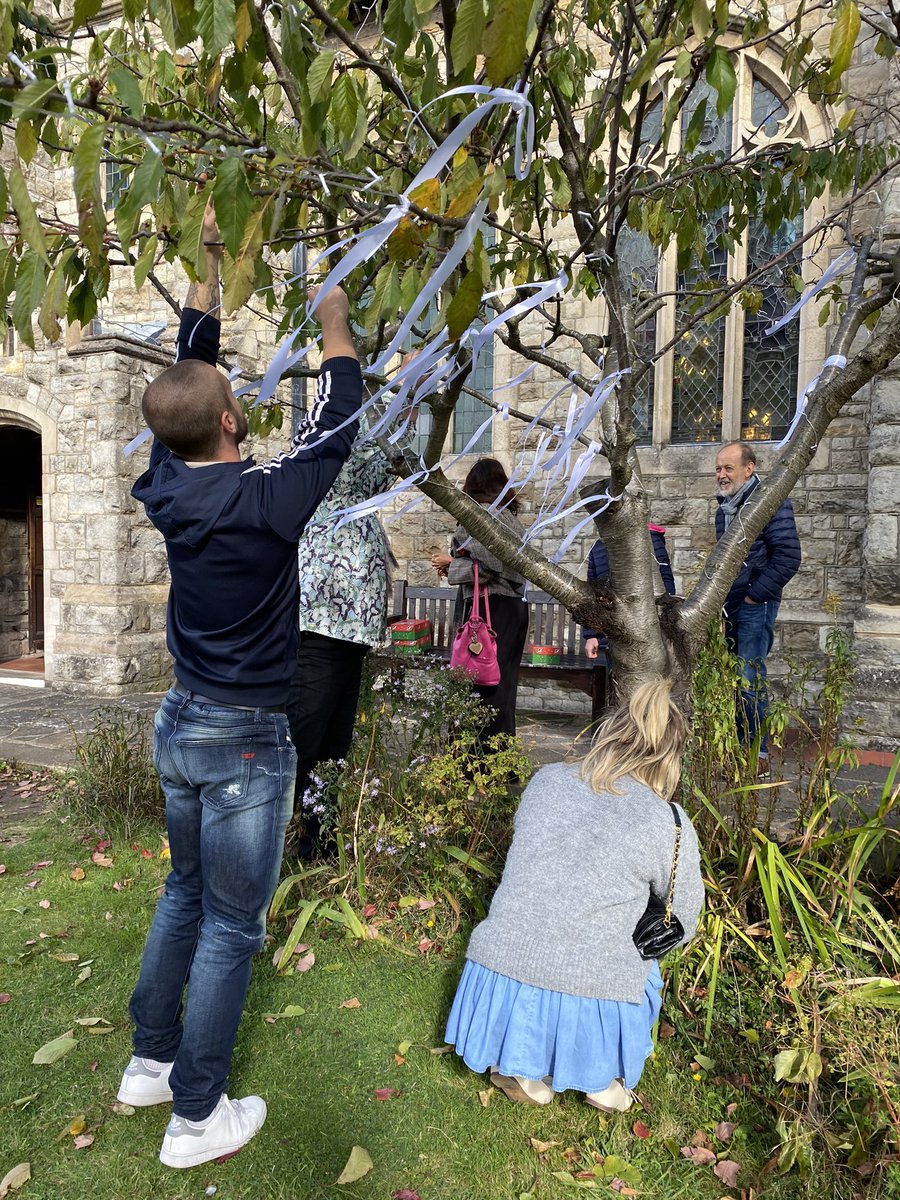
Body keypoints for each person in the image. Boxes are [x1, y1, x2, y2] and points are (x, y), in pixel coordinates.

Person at [118, 204, 361, 1170]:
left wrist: (207, 279)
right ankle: (195, 1116)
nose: (234, 386)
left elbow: (188, 371)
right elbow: (338, 413)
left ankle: (149, 1062)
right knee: (230, 923)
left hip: (180, 725)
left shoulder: (166, 483)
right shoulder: (267, 502)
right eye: (229, 386)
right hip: (247, 740)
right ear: (228, 419)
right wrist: (334, 307)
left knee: (182, 893)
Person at [444, 679, 704, 1110]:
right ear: (669, 758)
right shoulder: (669, 821)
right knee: (643, 957)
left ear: (610, 734)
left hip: (500, 960)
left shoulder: (546, 780)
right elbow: (684, 917)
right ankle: (600, 1077)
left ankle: (519, 1064)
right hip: (594, 984)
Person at [286, 434, 394, 855]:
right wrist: (403, 382)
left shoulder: (359, 491)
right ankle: (259, 845)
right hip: (323, 625)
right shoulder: (332, 447)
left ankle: (320, 840)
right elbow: (374, 439)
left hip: (352, 634)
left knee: (333, 746)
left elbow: (390, 456)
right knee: (302, 741)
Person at [715, 441, 801, 766]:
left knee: (749, 681)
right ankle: (739, 750)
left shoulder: (770, 501)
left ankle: (755, 756)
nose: (722, 475)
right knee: (736, 681)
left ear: (749, 469)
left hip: (755, 605)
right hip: (732, 607)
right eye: (719, 469)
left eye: (728, 468)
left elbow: (789, 557)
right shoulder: (724, 507)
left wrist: (754, 595)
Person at [431, 458, 529, 738]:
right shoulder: (510, 518)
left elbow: (488, 566)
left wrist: (452, 565)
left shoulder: (481, 514)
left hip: (489, 610)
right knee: (503, 686)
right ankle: (500, 760)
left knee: (478, 685)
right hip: (512, 609)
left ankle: (475, 765)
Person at [584, 522, 676, 661]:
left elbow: (666, 583)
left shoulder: (650, 540)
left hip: (649, 634)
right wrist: (591, 635)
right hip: (611, 636)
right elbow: (592, 594)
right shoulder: (598, 547)